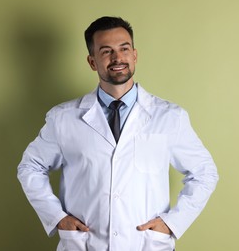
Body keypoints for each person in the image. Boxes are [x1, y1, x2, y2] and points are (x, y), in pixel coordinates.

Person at [17, 16, 219, 251]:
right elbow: (30, 167)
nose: (117, 58)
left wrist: (172, 223)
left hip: (146, 245)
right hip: (85, 245)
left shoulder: (170, 117)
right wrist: (57, 218)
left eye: (124, 49)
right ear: (92, 61)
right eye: (106, 51)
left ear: (134, 55)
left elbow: (205, 173)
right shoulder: (63, 118)